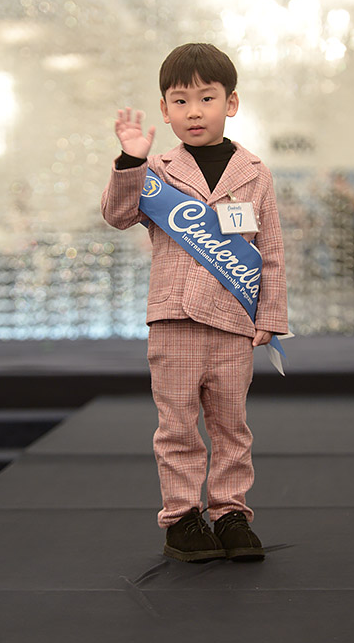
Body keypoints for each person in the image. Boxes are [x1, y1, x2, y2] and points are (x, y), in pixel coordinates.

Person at [101, 43, 288, 562]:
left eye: (207, 98)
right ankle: (182, 517)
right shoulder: (154, 169)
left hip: (233, 321)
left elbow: (269, 251)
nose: (194, 111)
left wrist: (270, 316)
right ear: (164, 110)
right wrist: (129, 160)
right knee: (178, 425)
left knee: (231, 425)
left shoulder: (254, 171)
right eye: (180, 101)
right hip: (175, 320)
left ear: (231, 103)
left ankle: (230, 512)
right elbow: (117, 215)